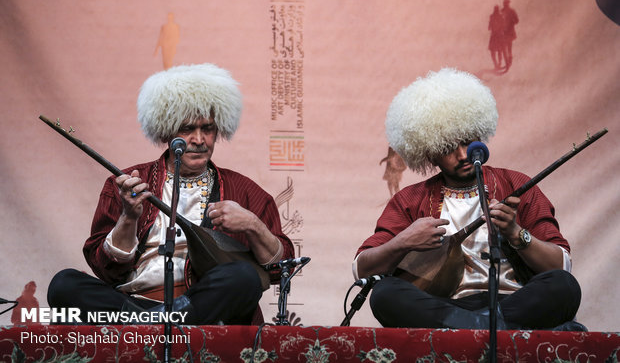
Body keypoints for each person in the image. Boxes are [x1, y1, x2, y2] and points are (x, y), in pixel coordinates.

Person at [48, 63, 294, 325]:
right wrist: (129, 217)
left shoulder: (245, 191)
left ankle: (163, 319)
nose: (199, 140)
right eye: (187, 129)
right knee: (64, 285)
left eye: (207, 129)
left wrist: (253, 225)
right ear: (166, 130)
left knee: (244, 278)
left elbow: (281, 270)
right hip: (130, 304)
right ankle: (159, 320)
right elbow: (104, 270)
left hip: (201, 305)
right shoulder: (125, 183)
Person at [353, 68, 582, 330]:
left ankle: (473, 327)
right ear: (430, 154)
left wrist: (516, 233)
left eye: (467, 141)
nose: (462, 155)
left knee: (564, 287)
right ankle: (484, 326)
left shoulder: (517, 184)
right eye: (448, 148)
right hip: (445, 308)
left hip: (513, 303)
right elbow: (362, 269)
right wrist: (402, 242)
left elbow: (560, 265)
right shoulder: (410, 199)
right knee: (384, 293)